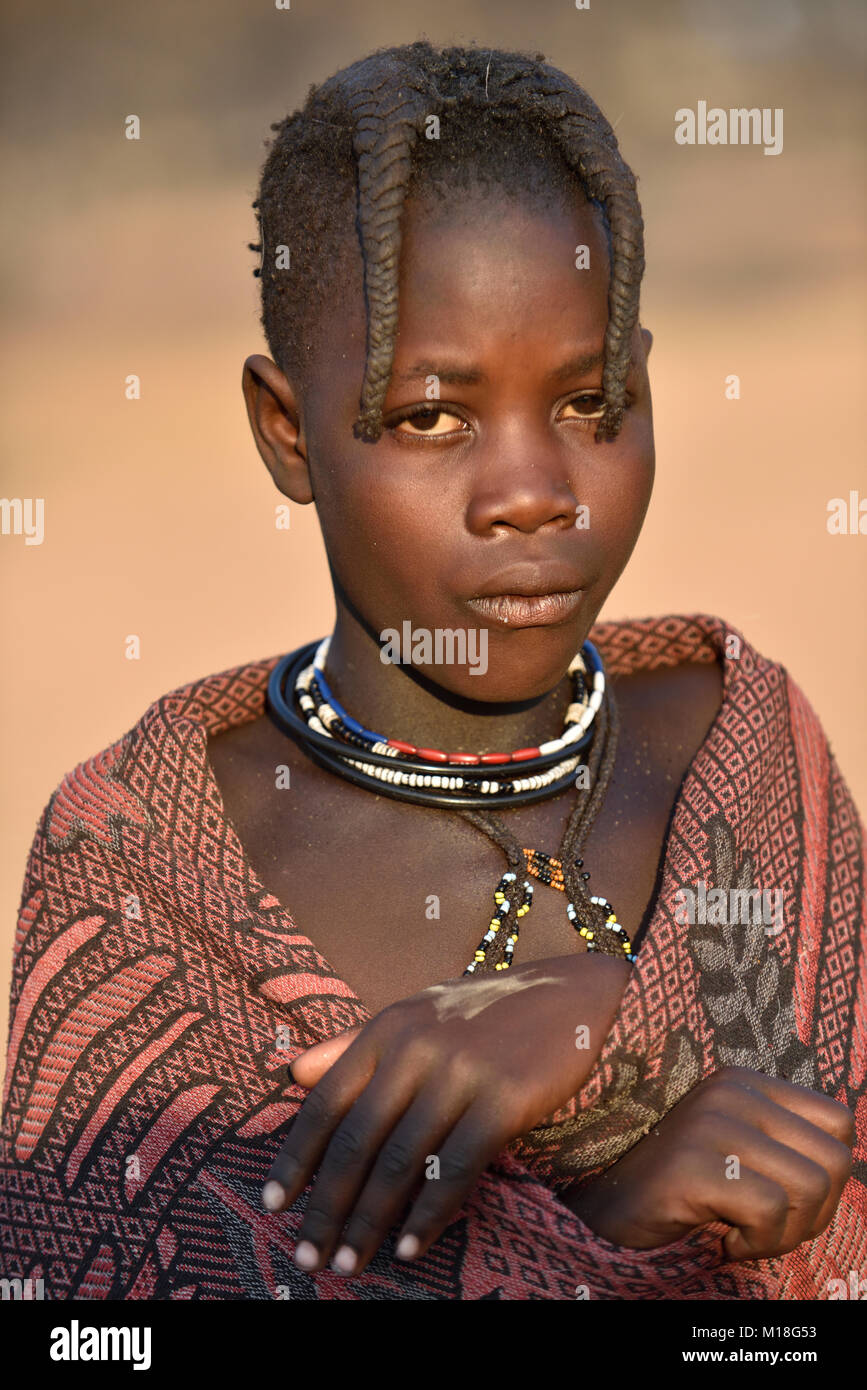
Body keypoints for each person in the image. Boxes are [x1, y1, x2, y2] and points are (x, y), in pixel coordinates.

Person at [1, 40, 863, 1302]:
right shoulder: (147, 868)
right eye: (429, 418)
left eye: (589, 402)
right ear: (286, 432)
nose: (533, 492)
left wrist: (596, 1005)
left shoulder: (747, 753)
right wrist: (613, 1228)